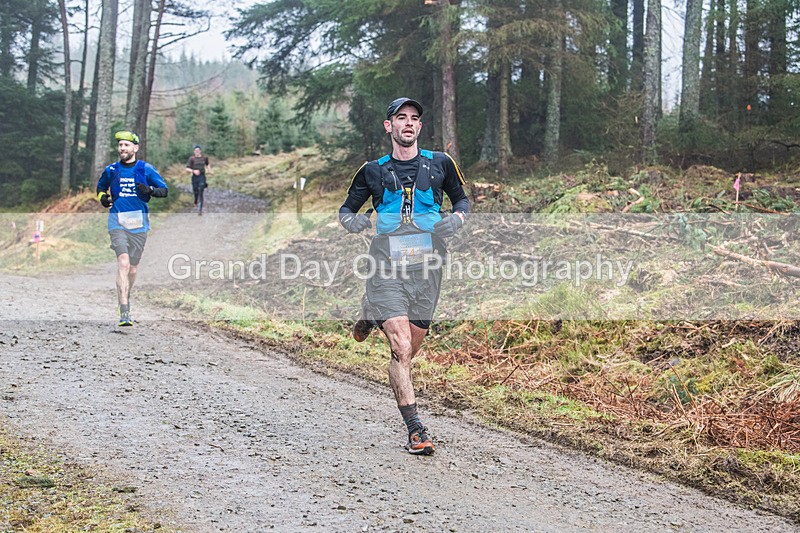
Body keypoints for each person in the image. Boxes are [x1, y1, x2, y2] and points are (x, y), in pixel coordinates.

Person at [339, 97, 470, 455]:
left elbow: (462, 201)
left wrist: (457, 220)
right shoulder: (372, 171)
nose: (408, 123)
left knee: (411, 349)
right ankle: (415, 429)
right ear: (389, 126)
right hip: (386, 266)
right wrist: (353, 222)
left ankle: (370, 311)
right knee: (400, 347)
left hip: (428, 268)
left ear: (419, 127)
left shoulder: (441, 163)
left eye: (414, 118)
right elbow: (346, 210)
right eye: (401, 117)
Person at [96, 131, 168, 326]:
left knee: (133, 269)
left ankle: (126, 292)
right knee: (123, 263)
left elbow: (164, 190)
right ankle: (124, 309)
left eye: (126, 145)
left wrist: (150, 190)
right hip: (117, 222)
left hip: (139, 225)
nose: (122, 148)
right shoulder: (112, 170)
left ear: (135, 148)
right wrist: (103, 198)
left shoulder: (145, 169)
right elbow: (100, 188)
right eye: (120, 145)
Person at [186, 145, 211, 215]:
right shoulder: (192, 158)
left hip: (202, 176)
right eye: (196, 150)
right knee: (195, 190)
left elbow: (207, 164)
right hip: (194, 177)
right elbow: (187, 168)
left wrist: (210, 171)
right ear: (194, 151)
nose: (197, 151)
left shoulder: (204, 158)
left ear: (200, 151)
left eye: (198, 150)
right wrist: (193, 171)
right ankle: (195, 201)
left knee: (201, 190)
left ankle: (200, 209)